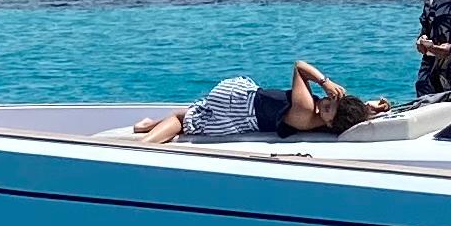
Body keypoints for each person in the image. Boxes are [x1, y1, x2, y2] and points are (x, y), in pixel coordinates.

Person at [114, 59, 385, 144]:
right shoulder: (324, 122)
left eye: (327, 106)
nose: (324, 101)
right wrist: (368, 109)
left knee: (185, 120)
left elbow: (300, 66)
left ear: (330, 121)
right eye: (328, 99)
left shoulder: (304, 109)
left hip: (238, 106)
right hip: (246, 106)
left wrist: (325, 82)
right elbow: (347, 119)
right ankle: (147, 124)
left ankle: (145, 142)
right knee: (194, 114)